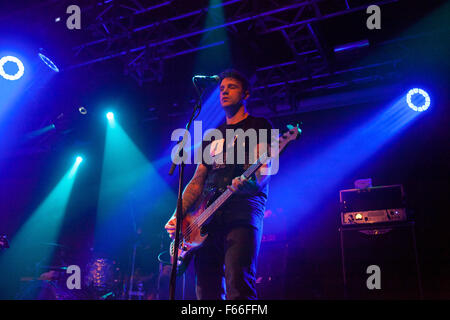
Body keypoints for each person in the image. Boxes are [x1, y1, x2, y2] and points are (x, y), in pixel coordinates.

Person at [165, 69, 273, 300]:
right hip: (206, 220)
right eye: (222, 88)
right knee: (206, 290)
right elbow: (196, 182)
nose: (224, 91)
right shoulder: (212, 135)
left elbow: (264, 172)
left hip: (241, 215)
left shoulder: (259, 125)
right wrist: (177, 214)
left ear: (246, 93)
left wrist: (249, 186)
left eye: (231, 87)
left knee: (238, 285)